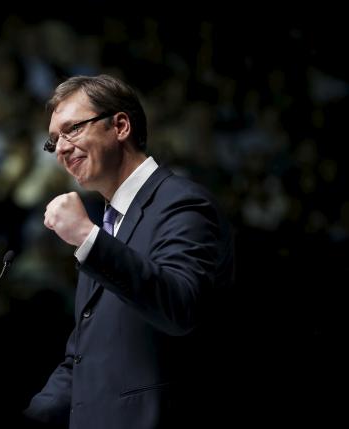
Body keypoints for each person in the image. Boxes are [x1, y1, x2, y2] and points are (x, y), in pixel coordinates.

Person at [24, 75, 234, 428]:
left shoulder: (182, 203)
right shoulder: (105, 227)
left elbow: (179, 306)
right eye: (54, 141)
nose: (59, 148)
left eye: (71, 129)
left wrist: (88, 238)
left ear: (120, 125)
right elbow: (82, 361)